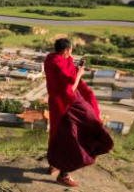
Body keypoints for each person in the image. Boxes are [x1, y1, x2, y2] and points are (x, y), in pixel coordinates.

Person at [44, 38, 114, 187]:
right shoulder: (56, 63)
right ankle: (64, 173)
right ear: (65, 50)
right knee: (73, 135)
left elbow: (67, 76)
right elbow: (69, 89)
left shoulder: (52, 59)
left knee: (60, 134)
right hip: (66, 103)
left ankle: (55, 163)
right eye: (70, 50)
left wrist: (76, 70)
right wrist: (80, 74)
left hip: (60, 102)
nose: (71, 54)